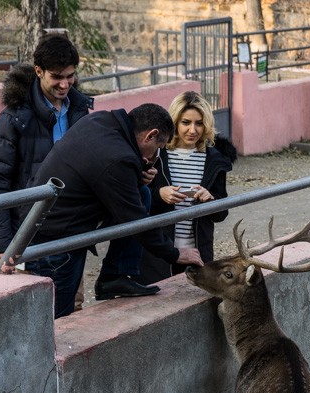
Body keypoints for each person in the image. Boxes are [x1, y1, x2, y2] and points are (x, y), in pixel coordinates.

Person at [15, 103, 202, 318]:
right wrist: (175, 253)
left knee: (143, 193)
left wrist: (139, 171)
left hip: (51, 224)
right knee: (57, 319)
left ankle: (116, 275)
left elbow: (106, 174)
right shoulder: (117, 158)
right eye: (158, 147)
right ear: (151, 135)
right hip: (54, 241)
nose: (154, 156)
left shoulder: (102, 122)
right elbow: (137, 220)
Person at [0, 33, 93, 262]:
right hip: (29, 232)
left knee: (74, 298)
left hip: (71, 226)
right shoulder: (14, 118)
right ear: (38, 71)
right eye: (57, 77)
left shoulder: (80, 112)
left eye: (70, 76)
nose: (65, 84)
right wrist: (3, 244)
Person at [140, 90, 237, 285]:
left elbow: (221, 214)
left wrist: (210, 200)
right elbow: (136, 201)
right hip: (157, 253)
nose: (193, 130)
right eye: (186, 122)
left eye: (199, 123)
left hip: (197, 254)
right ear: (174, 121)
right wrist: (159, 194)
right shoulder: (156, 154)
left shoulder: (215, 160)